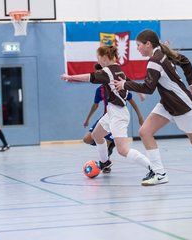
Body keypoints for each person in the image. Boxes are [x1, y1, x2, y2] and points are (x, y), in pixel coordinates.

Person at [114, 29, 192, 188]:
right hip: (167, 104)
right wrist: (191, 83)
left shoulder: (155, 61)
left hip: (183, 106)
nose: (137, 49)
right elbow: (185, 62)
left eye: (138, 45)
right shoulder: (160, 54)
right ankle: (160, 173)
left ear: (148, 44)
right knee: (145, 132)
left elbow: (149, 88)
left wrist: (125, 84)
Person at [61, 45, 151, 177]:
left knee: (122, 150)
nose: (97, 61)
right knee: (96, 135)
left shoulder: (107, 72)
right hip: (111, 112)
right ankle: (105, 162)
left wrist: (70, 76)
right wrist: (139, 93)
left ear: (103, 58)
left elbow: (88, 77)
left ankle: (153, 168)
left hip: (118, 114)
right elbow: (129, 81)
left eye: (98, 58)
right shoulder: (118, 69)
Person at [83, 80, 145, 162]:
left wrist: (139, 116)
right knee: (87, 139)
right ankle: (109, 144)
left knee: (109, 145)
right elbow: (95, 105)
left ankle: (106, 163)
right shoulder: (100, 90)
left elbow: (132, 101)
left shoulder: (117, 87)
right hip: (105, 117)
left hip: (116, 118)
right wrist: (87, 119)